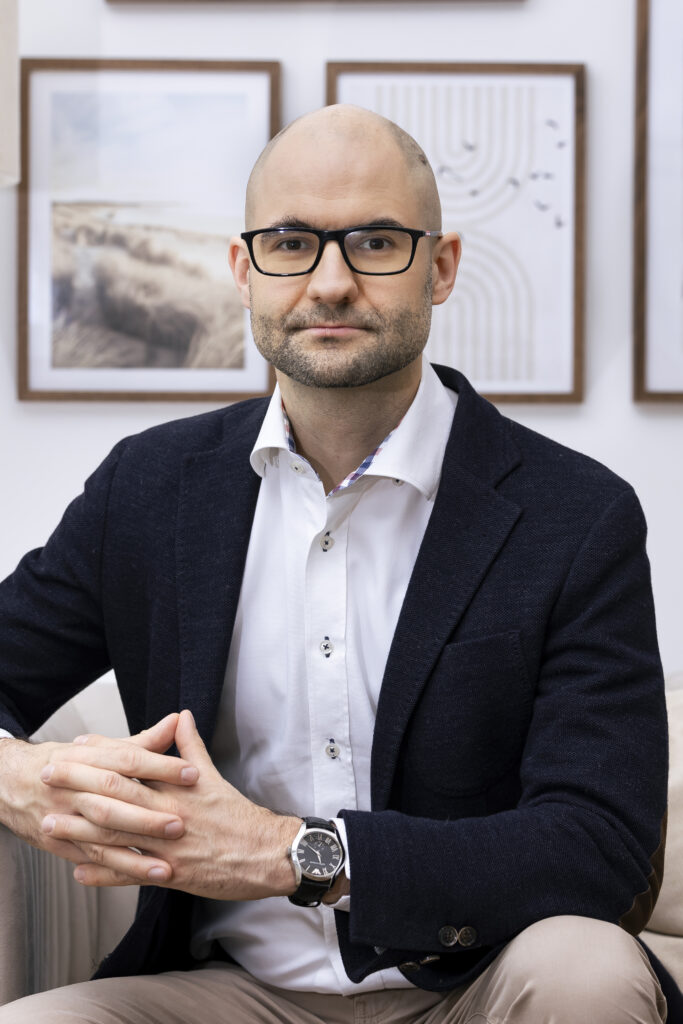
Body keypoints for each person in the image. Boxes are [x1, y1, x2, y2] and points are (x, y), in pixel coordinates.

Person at [0, 104, 675, 1023]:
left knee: (587, 970)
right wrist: (18, 776)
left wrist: (289, 853)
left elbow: (600, 847)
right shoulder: (148, 489)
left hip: (479, 980)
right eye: (289, 243)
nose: (329, 282)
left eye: (375, 242)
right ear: (244, 271)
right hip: (230, 990)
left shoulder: (576, 514)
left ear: (440, 267)